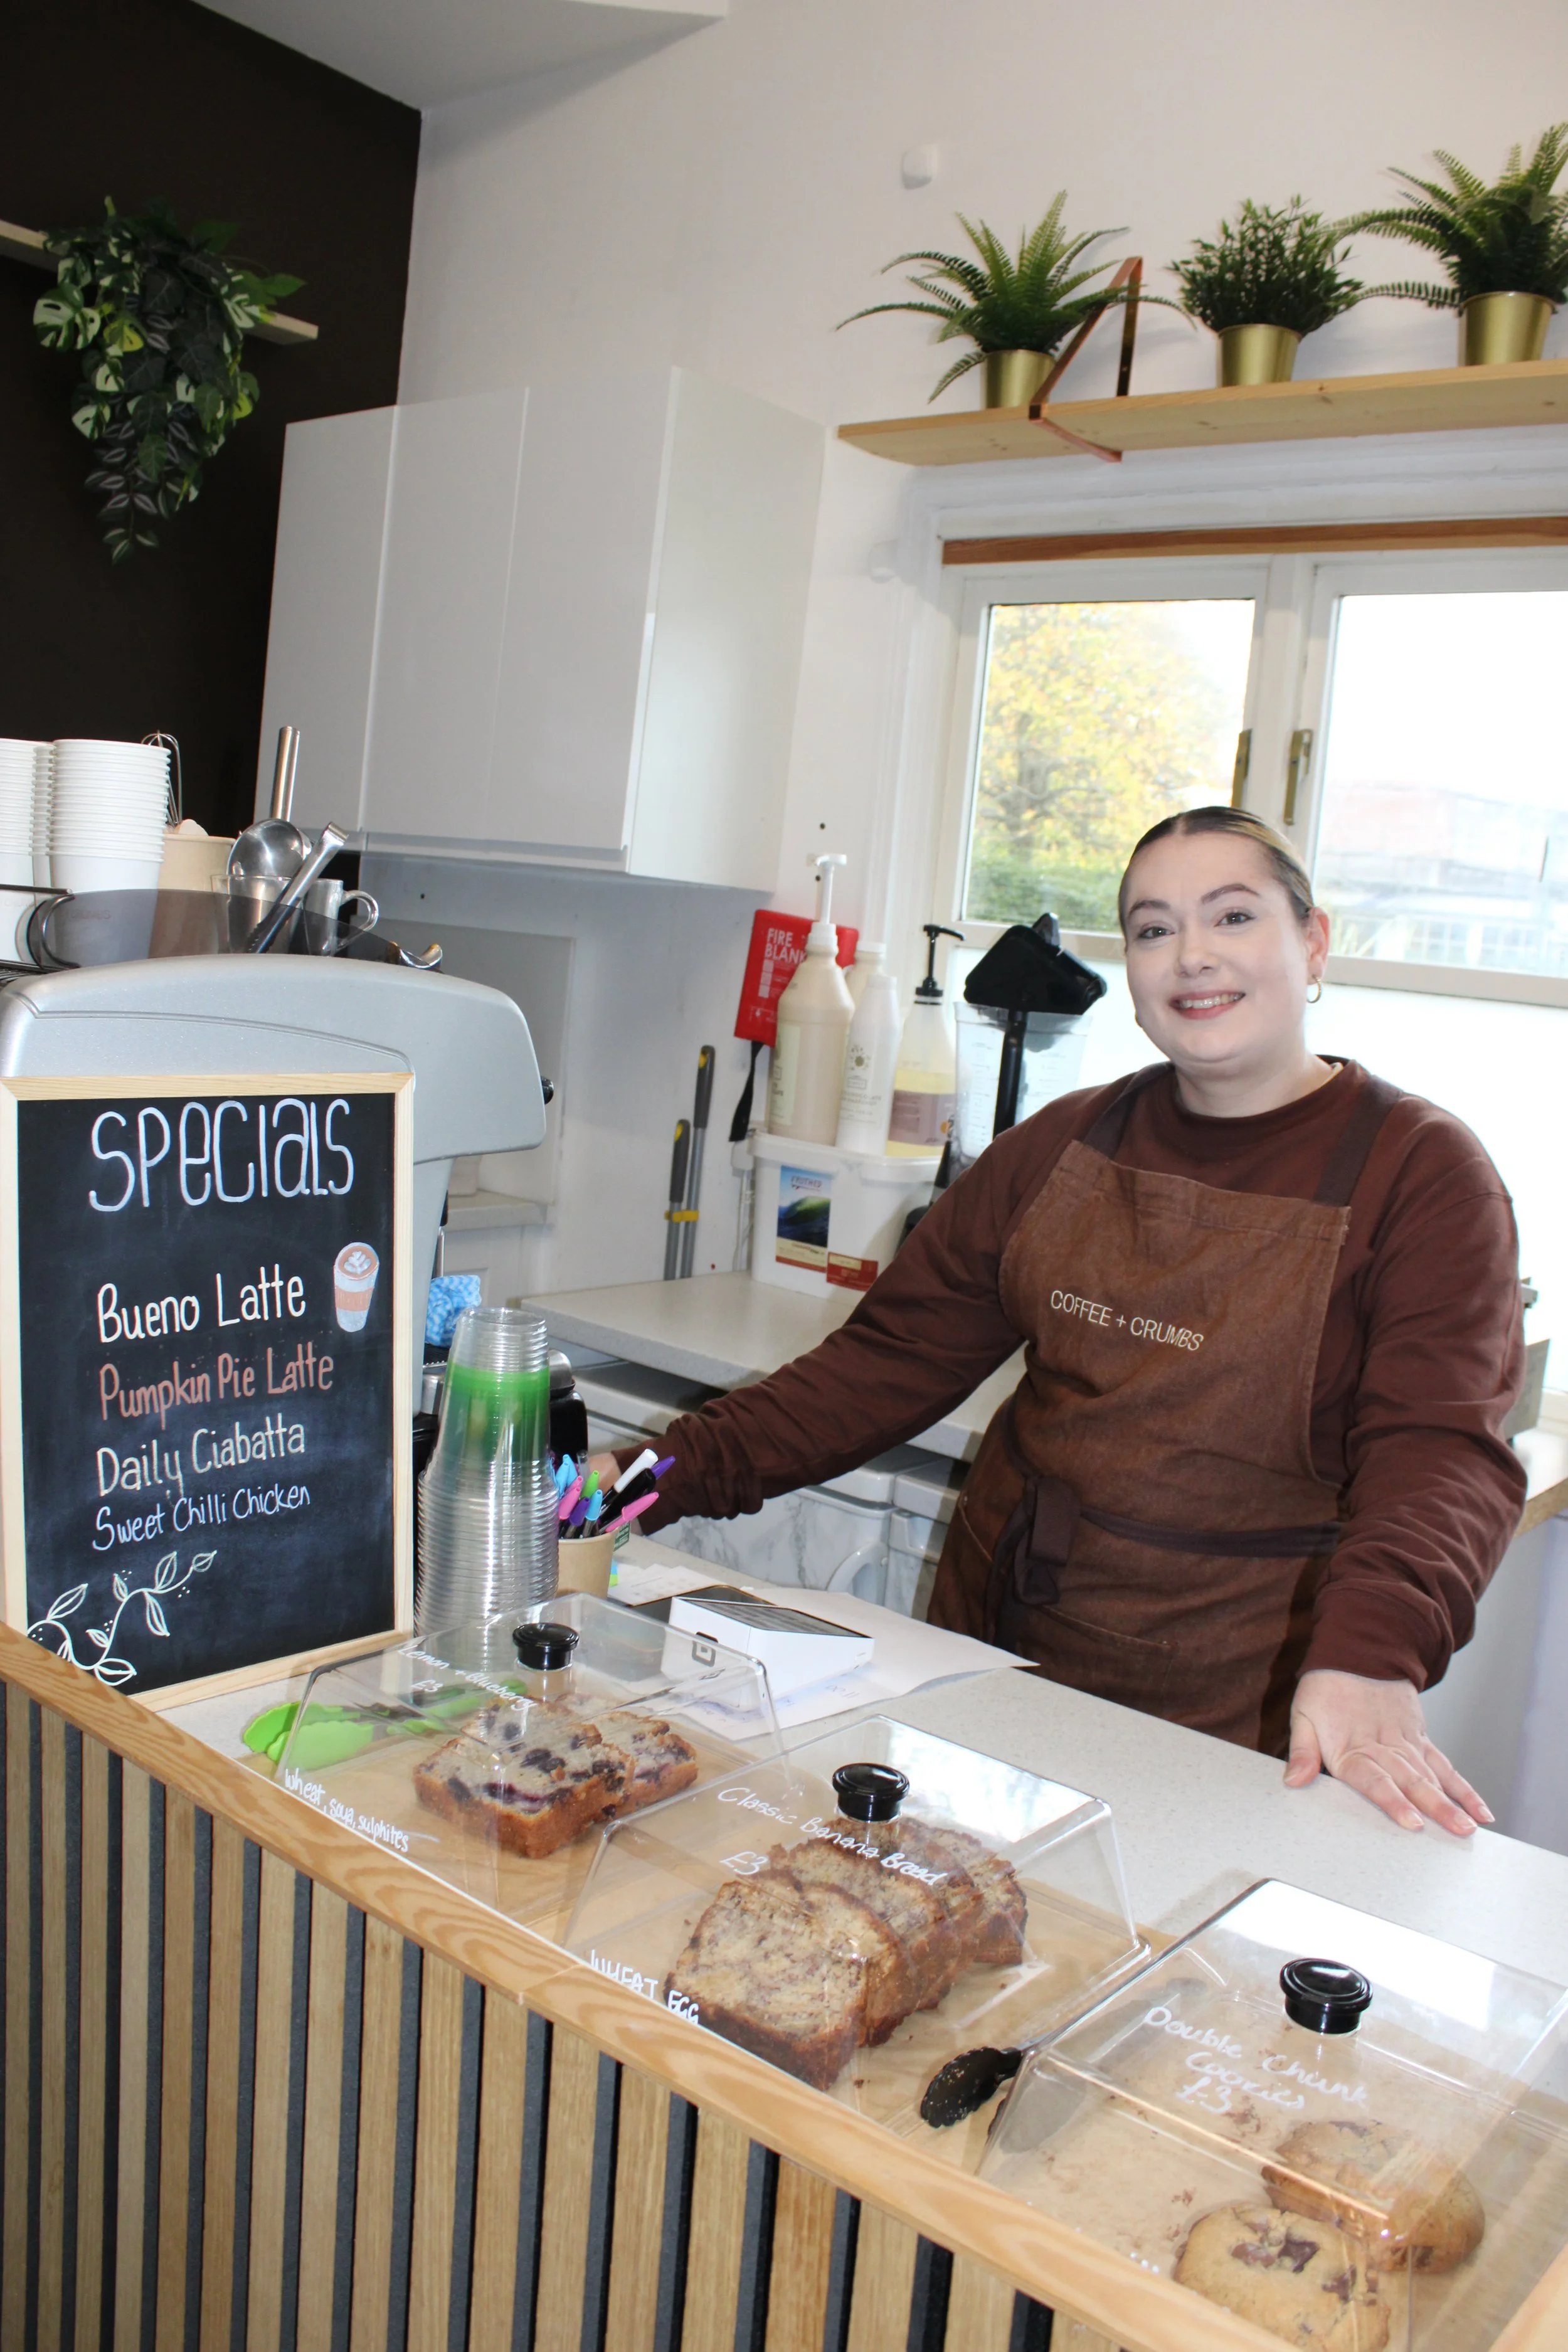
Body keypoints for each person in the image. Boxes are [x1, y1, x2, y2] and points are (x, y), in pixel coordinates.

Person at [624, 808, 1525, 1836]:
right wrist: (648, 1478)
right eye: (1152, 929)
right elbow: (874, 1370)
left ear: (1312, 942)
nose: (1192, 956)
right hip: (997, 1668)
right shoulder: (1063, 1145)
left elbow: (1440, 1454)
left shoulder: (1424, 1175)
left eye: (1232, 916)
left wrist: (1372, 1651)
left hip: (1242, 1708)